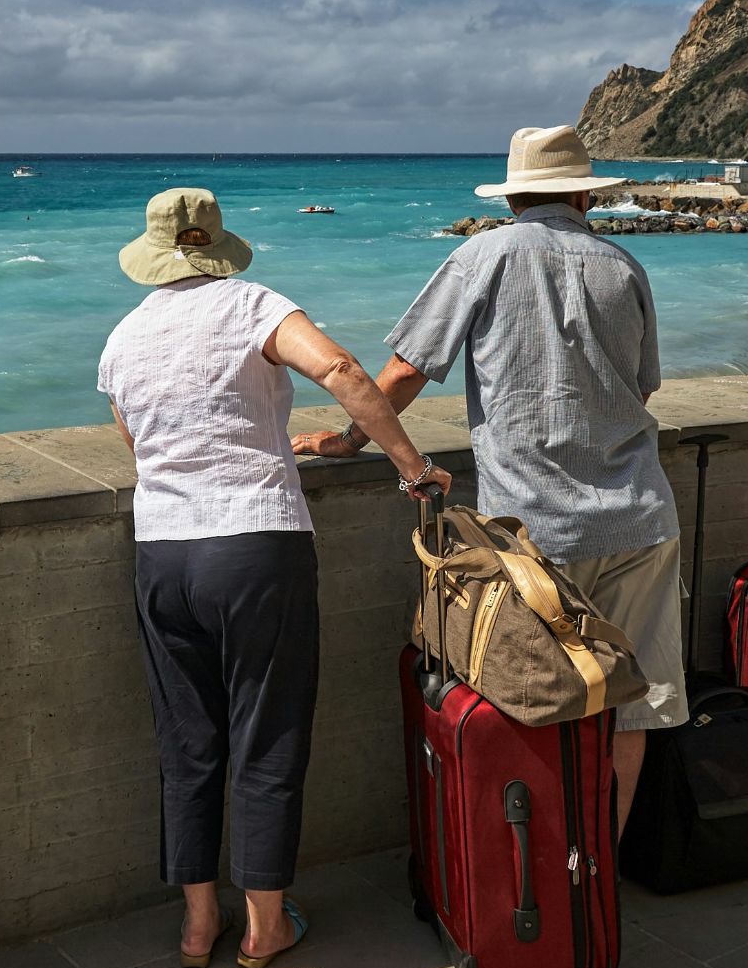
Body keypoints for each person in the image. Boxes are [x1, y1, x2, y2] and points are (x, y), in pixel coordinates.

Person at [98, 187, 450, 968]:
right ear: (217, 246)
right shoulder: (252, 305)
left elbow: (138, 442)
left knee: (186, 740)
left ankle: (196, 925)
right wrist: (412, 467)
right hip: (254, 543)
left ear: (152, 255)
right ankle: (263, 926)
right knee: (267, 731)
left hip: (162, 552)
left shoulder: (122, 339)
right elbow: (342, 369)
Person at [293, 125, 686, 829]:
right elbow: (642, 390)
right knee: (633, 709)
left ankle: (547, 887)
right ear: (583, 195)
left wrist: (353, 438)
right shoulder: (623, 266)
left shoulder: (485, 254)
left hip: (536, 532)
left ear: (513, 199)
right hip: (640, 519)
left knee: (536, 703)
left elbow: (409, 368)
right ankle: (601, 876)